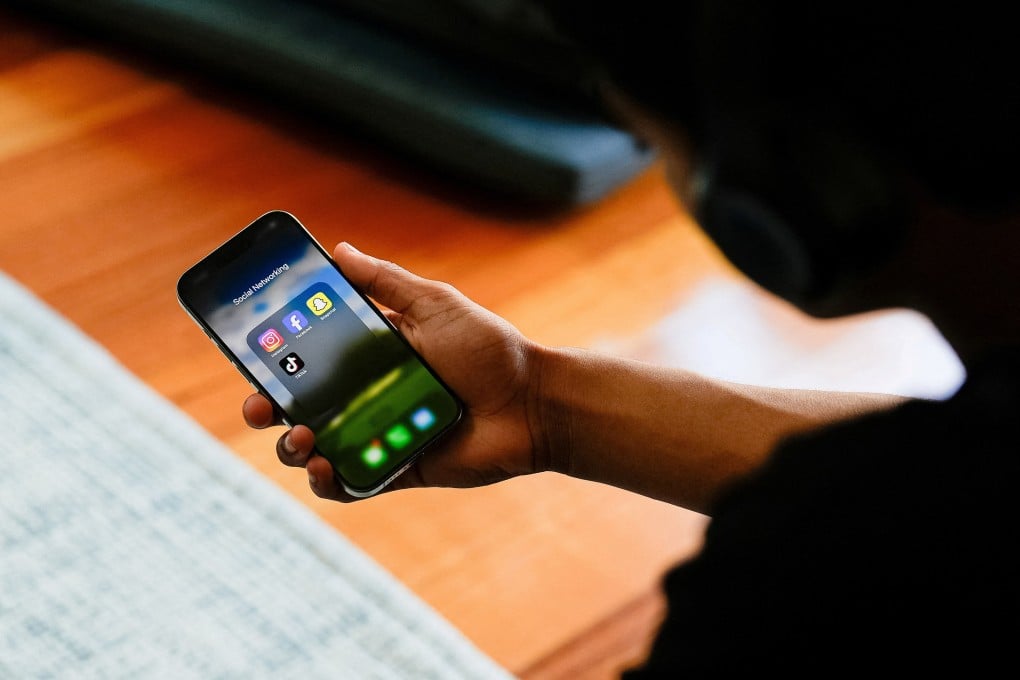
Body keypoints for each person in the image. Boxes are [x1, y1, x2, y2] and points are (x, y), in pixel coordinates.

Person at [243, 1, 1018, 674]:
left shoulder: (805, 588)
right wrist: (540, 402)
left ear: (797, 187)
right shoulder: (914, 502)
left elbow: (899, 505)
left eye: (651, 138)